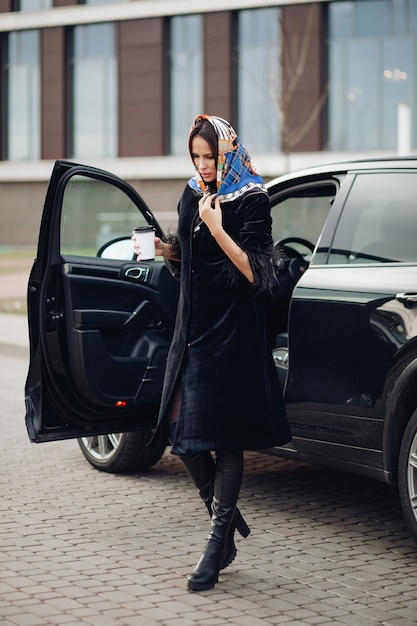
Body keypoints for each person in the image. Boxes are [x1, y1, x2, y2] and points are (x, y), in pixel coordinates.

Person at [133, 114, 292, 591]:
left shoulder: (252, 197)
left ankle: (216, 543)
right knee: (181, 431)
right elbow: (188, 251)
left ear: (227, 152)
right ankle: (225, 531)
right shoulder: (191, 192)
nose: (203, 166)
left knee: (225, 439)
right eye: (197, 157)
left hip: (232, 334)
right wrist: (163, 249)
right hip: (193, 327)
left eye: (210, 157)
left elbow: (258, 273)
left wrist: (216, 226)